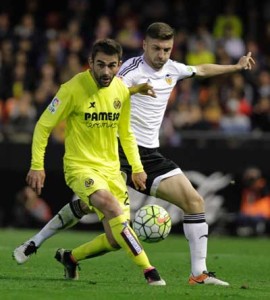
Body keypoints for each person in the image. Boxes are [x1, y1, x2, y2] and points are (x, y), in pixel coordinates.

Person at [13, 22, 255, 286]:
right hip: (118, 152)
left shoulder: (173, 68)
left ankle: (198, 274)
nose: (161, 55)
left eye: (167, 49)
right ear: (144, 46)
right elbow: (105, 91)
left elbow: (201, 70)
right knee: (101, 206)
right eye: (156, 48)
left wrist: (236, 66)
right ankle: (148, 272)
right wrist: (133, 89)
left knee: (189, 205)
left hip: (149, 154)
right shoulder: (128, 70)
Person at [13, 38, 165, 286]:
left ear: (119, 65)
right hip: (80, 166)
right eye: (101, 65)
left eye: (112, 65)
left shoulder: (121, 90)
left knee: (116, 240)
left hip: (112, 171)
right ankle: (150, 272)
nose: (106, 71)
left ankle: (70, 258)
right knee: (110, 206)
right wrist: (37, 164)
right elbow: (43, 126)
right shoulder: (72, 88)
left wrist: (137, 167)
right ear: (90, 63)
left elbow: (126, 134)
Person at [236, 166, 270, 236]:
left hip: (261, 213)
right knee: (241, 218)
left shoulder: (262, 185)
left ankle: (259, 231)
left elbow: (263, 191)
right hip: (247, 213)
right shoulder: (245, 188)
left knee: (256, 220)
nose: (251, 181)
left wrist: (256, 179)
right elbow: (235, 182)